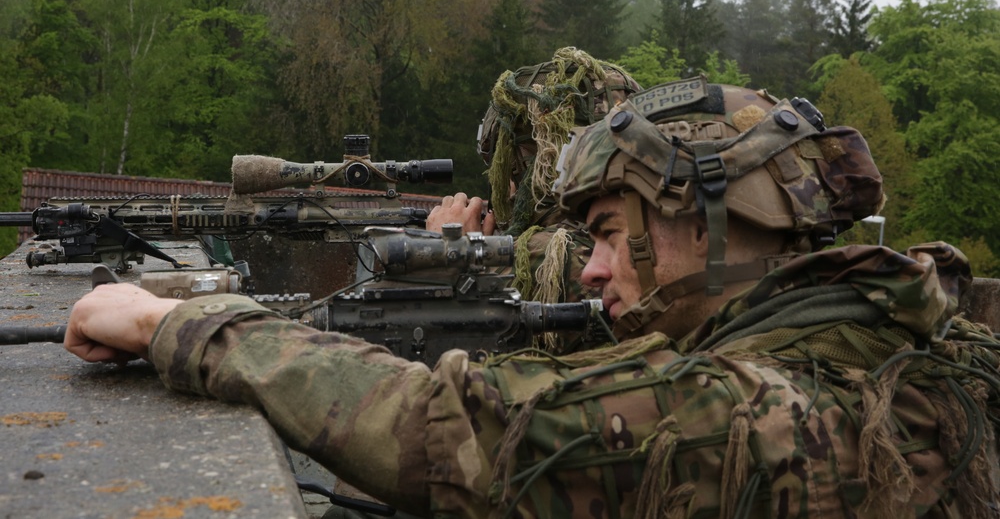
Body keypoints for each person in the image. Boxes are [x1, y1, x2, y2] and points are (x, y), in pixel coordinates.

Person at [66, 75, 1000, 518]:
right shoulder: (902, 325)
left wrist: (178, 324)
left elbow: (456, 430)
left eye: (605, 233)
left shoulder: (760, 414)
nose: (592, 272)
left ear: (711, 219)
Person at [427, 47, 641, 350]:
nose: (503, 188)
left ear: (532, 162)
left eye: (503, 165)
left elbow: (442, 350)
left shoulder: (551, 256)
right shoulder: (647, 233)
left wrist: (447, 255)